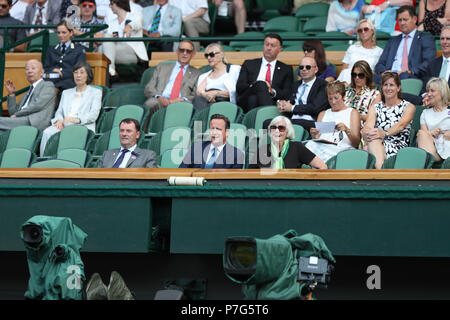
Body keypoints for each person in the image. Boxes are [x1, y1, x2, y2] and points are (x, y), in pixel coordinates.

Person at [39, 62, 102, 156]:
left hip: (83, 125)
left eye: (82, 72)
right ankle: (43, 160)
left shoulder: (96, 92)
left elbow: (93, 114)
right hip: (64, 124)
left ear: (88, 75)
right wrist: (59, 120)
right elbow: (59, 111)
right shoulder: (66, 93)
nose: (78, 75)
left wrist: (76, 120)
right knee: (47, 132)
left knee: (71, 134)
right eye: (76, 72)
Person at [143, 40, 202, 131]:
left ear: (193, 54)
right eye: (182, 50)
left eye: (188, 51)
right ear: (177, 51)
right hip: (160, 100)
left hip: (181, 101)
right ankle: (146, 135)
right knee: (151, 103)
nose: (184, 53)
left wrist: (181, 99)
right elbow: (149, 87)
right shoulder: (162, 67)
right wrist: (160, 97)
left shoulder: (197, 73)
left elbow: (195, 94)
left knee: (187, 106)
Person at [362, 72, 416, 169]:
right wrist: (368, 133)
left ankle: (381, 175)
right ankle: (382, 173)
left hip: (398, 147)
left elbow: (401, 125)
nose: (388, 88)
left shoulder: (408, 106)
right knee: (370, 142)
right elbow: (368, 125)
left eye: (391, 85)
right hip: (377, 143)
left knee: (369, 147)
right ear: (382, 88)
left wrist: (384, 133)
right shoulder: (375, 107)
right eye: (385, 85)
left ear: (398, 88)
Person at [374, 5, 436, 84]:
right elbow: (380, 64)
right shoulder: (393, 41)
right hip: (390, 76)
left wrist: (410, 71)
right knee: (369, 78)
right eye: (400, 20)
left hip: (411, 77)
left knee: (404, 76)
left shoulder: (425, 38)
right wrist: (384, 72)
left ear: (414, 19)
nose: (402, 23)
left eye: (405, 19)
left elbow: (429, 62)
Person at [304, 81, 361, 162]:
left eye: (336, 98)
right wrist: (314, 135)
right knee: (308, 145)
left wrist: (346, 129)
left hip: (343, 149)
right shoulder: (323, 114)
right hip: (322, 148)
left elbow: (356, 143)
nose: (333, 102)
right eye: (330, 98)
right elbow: (317, 138)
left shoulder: (352, 113)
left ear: (343, 96)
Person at [236, 33, 293, 113]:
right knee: (261, 84)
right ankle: (269, 115)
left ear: (280, 49)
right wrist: (256, 86)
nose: (268, 48)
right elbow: (240, 87)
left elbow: (287, 93)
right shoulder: (249, 64)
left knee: (253, 99)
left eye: (272, 46)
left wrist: (272, 91)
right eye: (267, 44)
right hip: (246, 98)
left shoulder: (286, 69)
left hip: (271, 100)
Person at [248, 116, 327, 169]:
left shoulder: (297, 147)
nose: (277, 131)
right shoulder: (262, 150)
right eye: (273, 128)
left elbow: (322, 167)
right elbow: (249, 175)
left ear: (287, 131)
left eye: (281, 128)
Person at [276, 56, 329, 132]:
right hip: (293, 120)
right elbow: (288, 101)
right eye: (301, 67)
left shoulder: (323, 85)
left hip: (311, 121)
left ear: (316, 69)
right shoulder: (295, 85)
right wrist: (282, 104)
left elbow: (315, 108)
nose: (304, 69)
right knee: (267, 123)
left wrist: (292, 108)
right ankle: (263, 144)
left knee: (282, 124)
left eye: (308, 67)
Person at [3, 59, 56, 132]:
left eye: (33, 68)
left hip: (34, 121)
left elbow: (38, 105)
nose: (29, 71)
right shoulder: (26, 94)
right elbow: (13, 112)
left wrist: (17, 115)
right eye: (27, 69)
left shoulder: (48, 85)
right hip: (21, 120)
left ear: (42, 72)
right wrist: (11, 94)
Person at [179, 114, 245, 168]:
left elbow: (233, 182)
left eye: (218, 129)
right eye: (212, 129)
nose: (214, 132)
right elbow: (181, 171)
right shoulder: (196, 147)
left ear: (227, 132)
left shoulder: (237, 155)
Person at [102, 0, 148, 77]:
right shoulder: (111, 23)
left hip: (132, 53)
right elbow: (108, 42)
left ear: (119, 3)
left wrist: (129, 26)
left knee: (103, 50)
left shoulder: (136, 15)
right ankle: (110, 71)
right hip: (115, 52)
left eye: (111, 4)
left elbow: (137, 23)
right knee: (102, 47)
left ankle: (109, 71)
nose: (110, 6)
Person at [193, 43, 241, 110]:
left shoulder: (234, 69)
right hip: (207, 102)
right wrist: (206, 95)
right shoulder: (204, 76)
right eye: (207, 55)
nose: (209, 58)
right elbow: (199, 92)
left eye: (212, 55)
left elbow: (238, 91)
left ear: (221, 55)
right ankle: (200, 120)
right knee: (198, 99)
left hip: (225, 102)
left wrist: (216, 93)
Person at [43, 19, 86, 92]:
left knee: (52, 89)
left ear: (71, 33)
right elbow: (46, 68)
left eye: (64, 32)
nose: (60, 35)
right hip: (52, 80)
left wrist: (62, 73)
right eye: (58, 33)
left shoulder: (78, 50)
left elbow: (79, 69)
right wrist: (53, 70)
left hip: (70, 82)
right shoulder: (51, 49)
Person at [337, 19, 383, 84]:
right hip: (349, 79)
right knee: (346, 72)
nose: (363, 32)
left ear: (372, 31)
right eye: (360, 30)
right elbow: (344, 69)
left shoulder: (379, 51)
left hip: (367, 81)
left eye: (366, 29)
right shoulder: (352, 48)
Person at [417, 77, 450, 162]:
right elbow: (423, 135)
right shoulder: (425, 113)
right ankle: (428, 161)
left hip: (447, 146)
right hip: (432, 148)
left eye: (432, 91)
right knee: (421, 133)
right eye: (428, 91)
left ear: (442, 92)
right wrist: (431, 133)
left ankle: (426, 163)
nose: (428, 94)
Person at [344, 60, 380, 127]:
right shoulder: (346, 91)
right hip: (343, 125)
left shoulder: (375, 94)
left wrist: (354, 115)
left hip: (362, 128)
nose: (357, 78)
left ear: (367, 75)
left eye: (360, 75)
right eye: (354, 75)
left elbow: (372, 118)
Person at [422, 26, 450, 91]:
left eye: (448, 39)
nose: (444, 42)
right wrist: (425, 95)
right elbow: (424, 88)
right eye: (442, 39)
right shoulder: (432, 64)